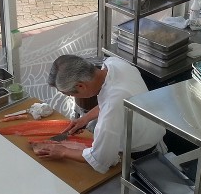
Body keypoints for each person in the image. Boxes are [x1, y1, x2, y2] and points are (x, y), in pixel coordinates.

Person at [36, 54, 166, 174]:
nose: (71, 97)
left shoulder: (113, 104)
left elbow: (100, 159)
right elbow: (115, 100)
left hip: (138, 157)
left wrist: (63, 151)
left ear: (81, 86)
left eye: (71, 94)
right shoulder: (114, 63)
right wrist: (85, 119)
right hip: (150, 132)